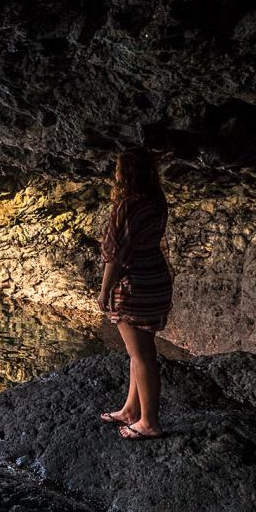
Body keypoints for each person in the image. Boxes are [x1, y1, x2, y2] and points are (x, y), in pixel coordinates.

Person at [96, 147, 172, 439]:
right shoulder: (156, 201)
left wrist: (105, 291)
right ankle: (131, 410)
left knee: (141, 355)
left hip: (134, 285)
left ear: (124, 174)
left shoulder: (126, 206)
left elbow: (114, 255)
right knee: (139, 350)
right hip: (156, 278)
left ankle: (149, 422)